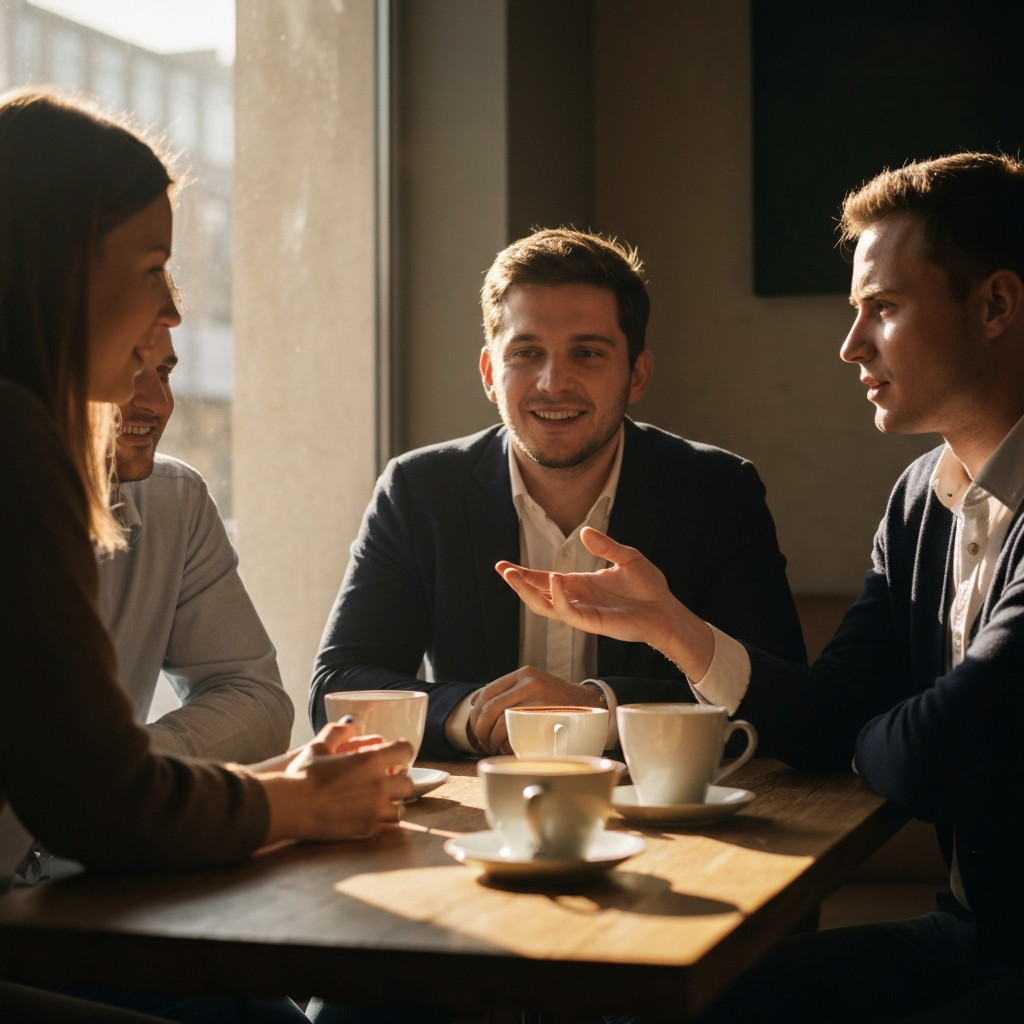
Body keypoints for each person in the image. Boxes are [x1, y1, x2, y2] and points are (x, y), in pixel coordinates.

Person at [500, 155, 1024, 1022]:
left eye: (883, 310)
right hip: (974, 934)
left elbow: (940, 754)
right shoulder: (919, 500)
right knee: (663, 1002)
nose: (851, 344)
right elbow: (828, 718)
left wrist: (874, 737)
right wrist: (676, 631)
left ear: (997, 305)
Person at [0, 89, 413, 1023]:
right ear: (63, 263)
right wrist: (297, 804)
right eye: (150, 269)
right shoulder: (15, 440)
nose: (166, 313)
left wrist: (245, 785)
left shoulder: (102, 470)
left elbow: (219, 719)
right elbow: (93, 798)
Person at [311, 229, 805, 758]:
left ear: (636, 375)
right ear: (489, 374)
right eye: (526, 352)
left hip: (663, 812)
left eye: (587, 353)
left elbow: (784, 698)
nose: (553, 382)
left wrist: (596, 708)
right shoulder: (417, 490)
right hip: (482, 818)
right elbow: (338, 687)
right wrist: (477, 713)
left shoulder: (718, 492)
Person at [101, 324, 293, 762]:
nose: (158, 402)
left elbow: (258, 704)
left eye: (164, 372)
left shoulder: (174, 499)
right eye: (129, 368)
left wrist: (125, 764)